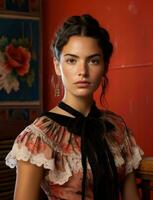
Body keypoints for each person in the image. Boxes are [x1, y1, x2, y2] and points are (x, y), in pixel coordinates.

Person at [5, 14, 143, 200]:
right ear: (57, 65)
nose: (83, 71)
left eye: (93, 60)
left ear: (104, 66)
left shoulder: (117, 129)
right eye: (71, 60)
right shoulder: (39, 137)